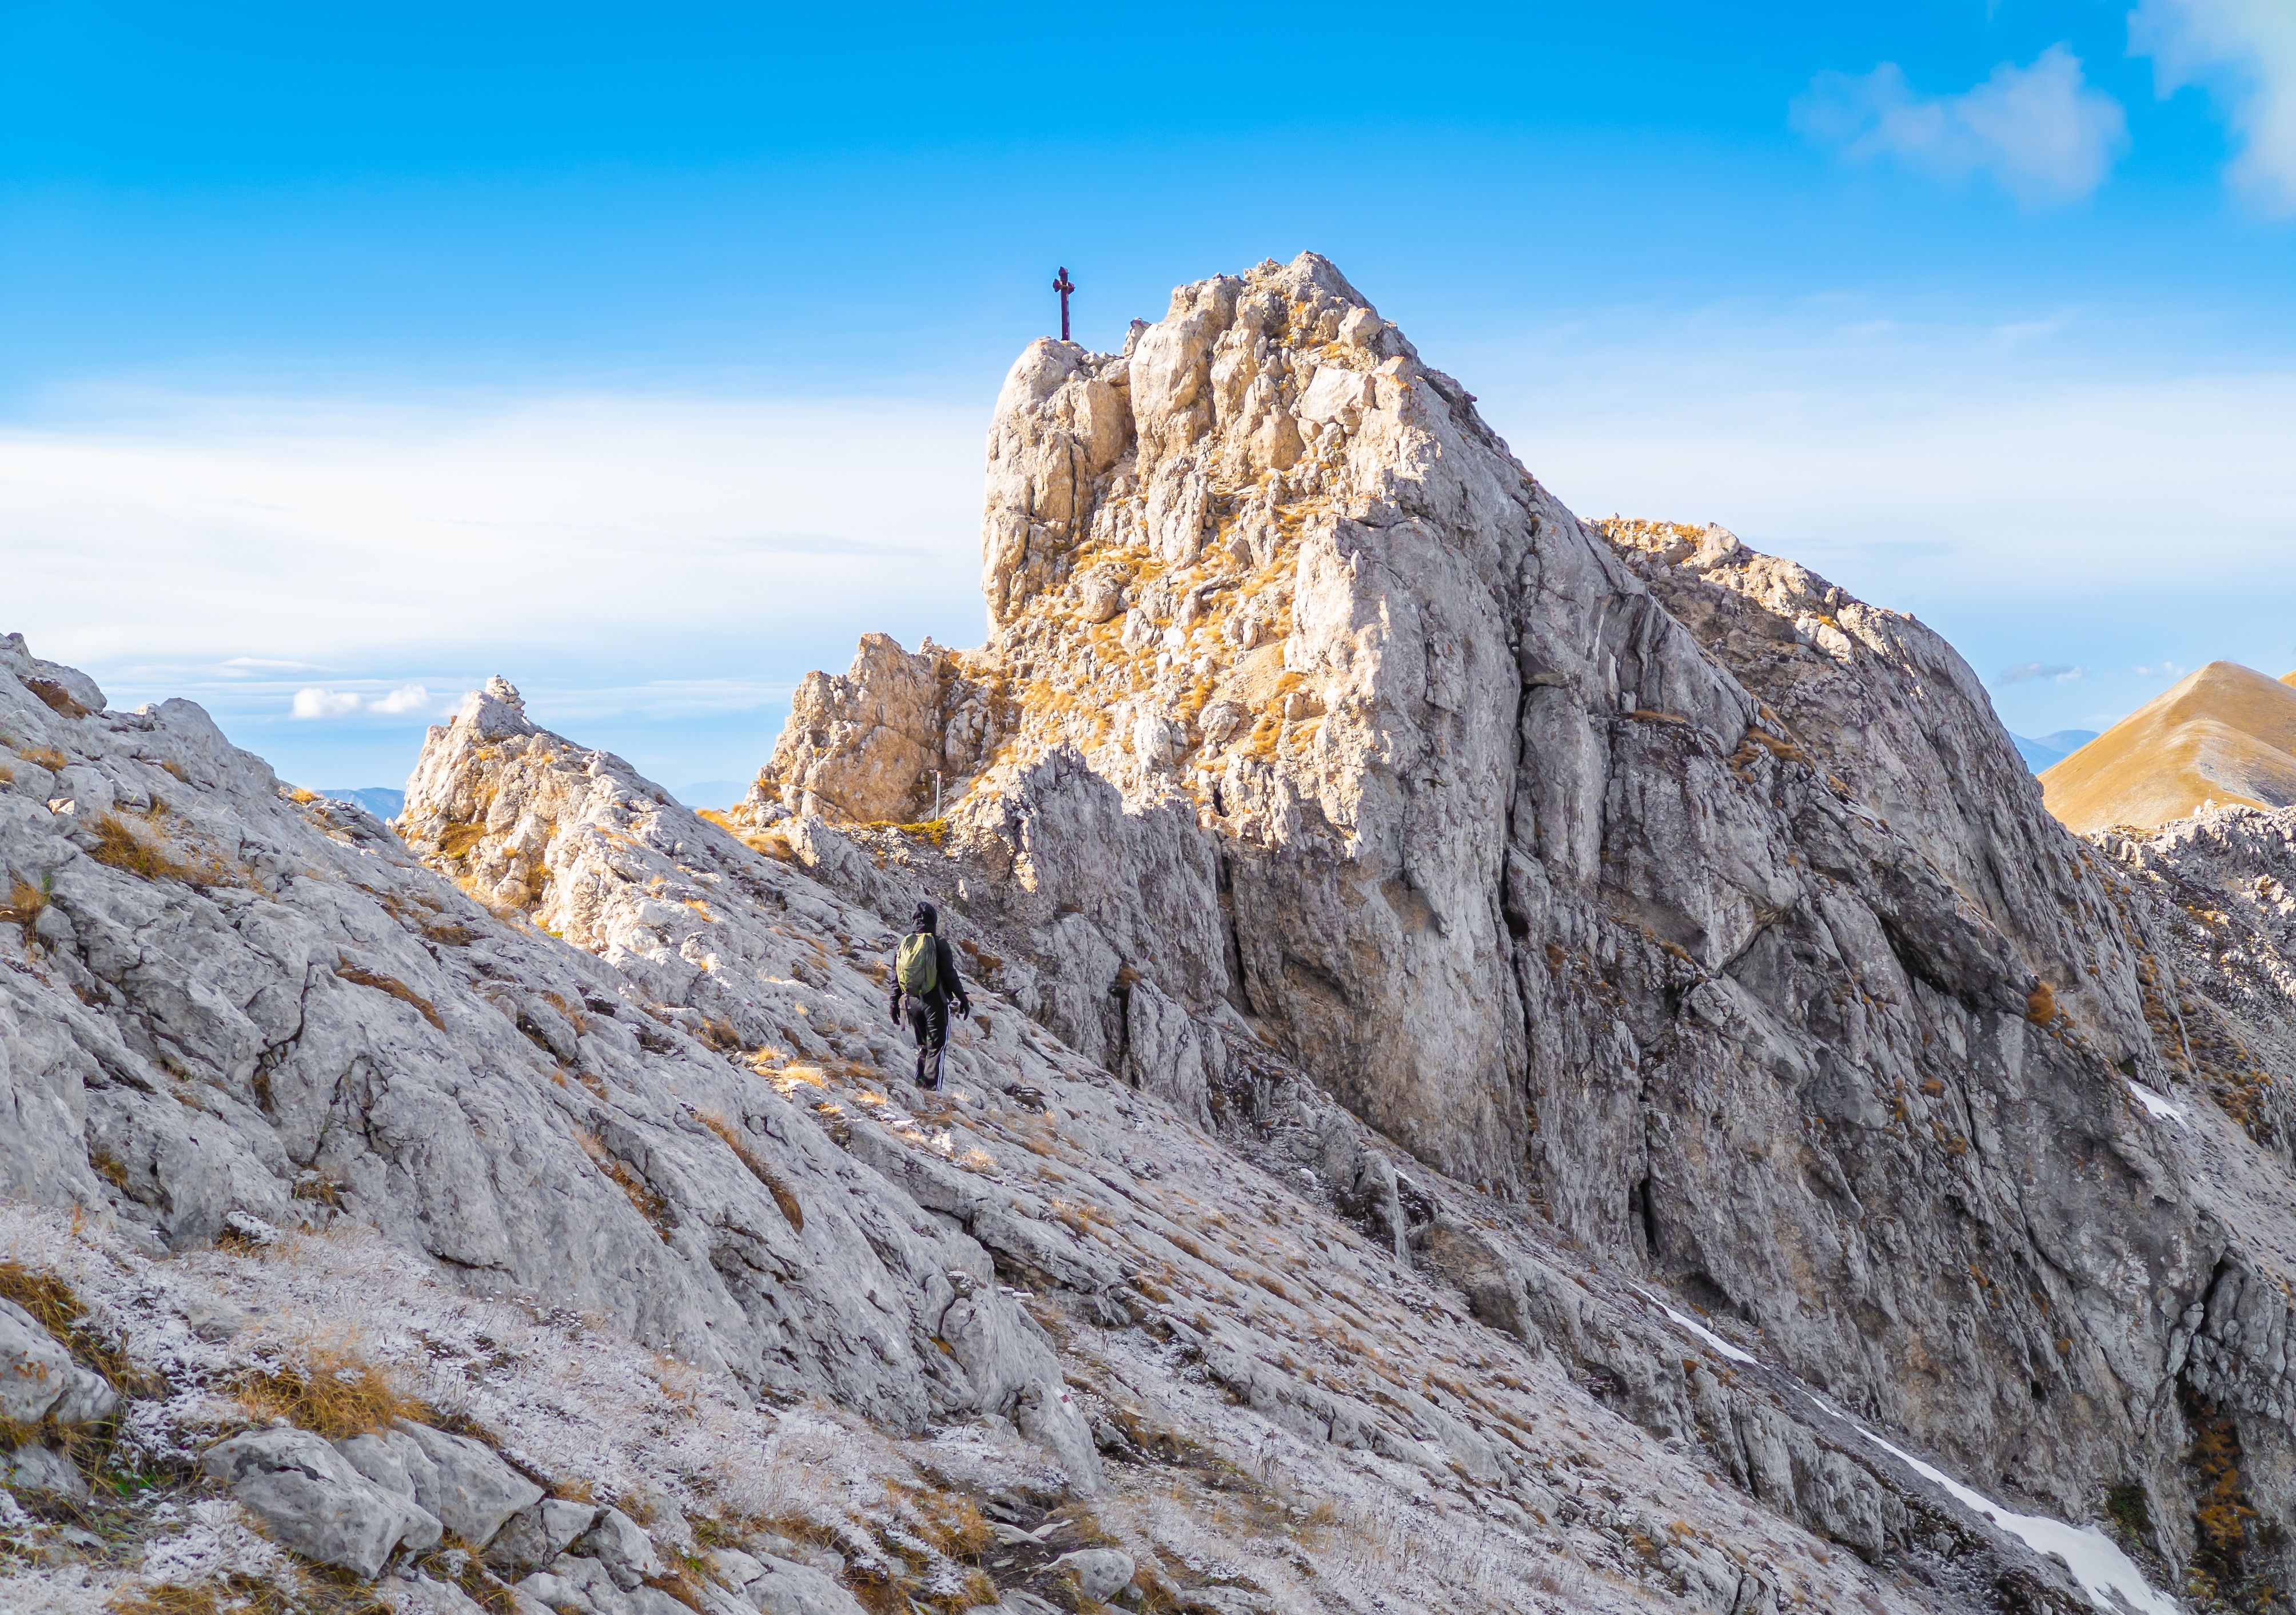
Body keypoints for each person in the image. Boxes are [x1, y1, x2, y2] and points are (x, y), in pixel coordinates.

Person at [889, 900, 970, 1091]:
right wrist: (963, 999)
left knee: (923, 1046)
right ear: (933, 921)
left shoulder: (905, 944)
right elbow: (950, 975)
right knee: (937, 1048)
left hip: (912, 1003)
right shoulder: (938, 943)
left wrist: (893, 1003)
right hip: (935, 1003)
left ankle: (919, 1084)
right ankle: (932, 1091)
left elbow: (896, 977)